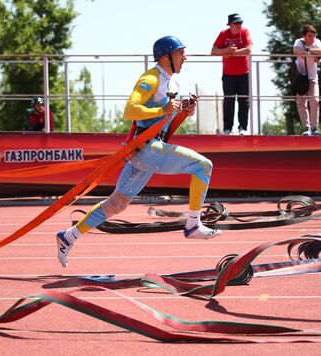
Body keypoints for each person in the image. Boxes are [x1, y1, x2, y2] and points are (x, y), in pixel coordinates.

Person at [55, 36, 222, 268]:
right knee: (204, 166)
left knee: (117, 204)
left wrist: (183, 111)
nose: (185, 58)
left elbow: (163, 123)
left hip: (145, 150)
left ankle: (68, 236)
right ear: (166, 57)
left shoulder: (171, 83)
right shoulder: (151, 78)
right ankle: (193, 224)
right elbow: (130, 110)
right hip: (147, 150)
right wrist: (164, 108)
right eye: (181, 53)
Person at [211, 13, 253, 136]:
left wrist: (232, 53)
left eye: (240, 23)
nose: (239, 25)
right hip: (228, 74)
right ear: (230, 25)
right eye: (236, 23)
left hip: (243, 73)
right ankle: (227, 129)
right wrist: (226, 50)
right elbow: (213, 51)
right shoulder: (223, 34)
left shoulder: (245, 32)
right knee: (229, 101)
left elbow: (249, 50)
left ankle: (243, 128)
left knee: (244, 101)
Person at [293, 24, 321, 136]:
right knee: (301, 102)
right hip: (300, 77)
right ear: (304, 36)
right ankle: (306, 128)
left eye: (313, 35)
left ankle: (314, 128)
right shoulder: (299, 42)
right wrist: (310, 53)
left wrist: (309, 51)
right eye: (309, 36)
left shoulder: (317, 42)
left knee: (315, 101)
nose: (312, 38)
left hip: (312, 77)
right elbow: (296, 51)